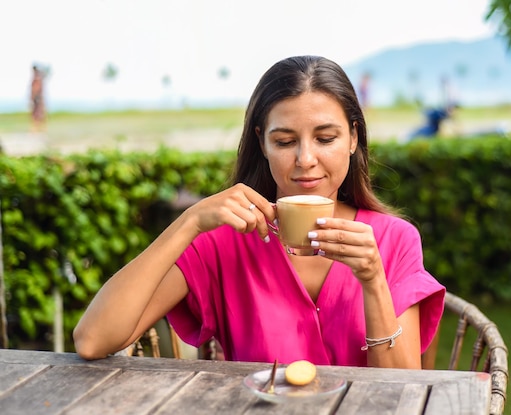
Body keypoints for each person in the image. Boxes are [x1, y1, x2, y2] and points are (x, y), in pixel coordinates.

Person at [73, 56, 445, 369]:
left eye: (325, 138)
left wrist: (373, 280)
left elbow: (404, 390)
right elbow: (93, 340)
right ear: (262, 143)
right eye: (284, 141)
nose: (305, 160)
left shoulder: (393, 239)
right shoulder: (221, 242)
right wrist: (189, 222)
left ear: (352, 138)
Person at [30, 65, 47, 132]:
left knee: (37, 113)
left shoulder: (37, 78)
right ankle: (39, 128)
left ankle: (38, 128)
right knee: (38, 113)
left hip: (37, 98)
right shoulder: (38, 77)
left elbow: (36, 89)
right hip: (38, 98)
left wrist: (33, 97)